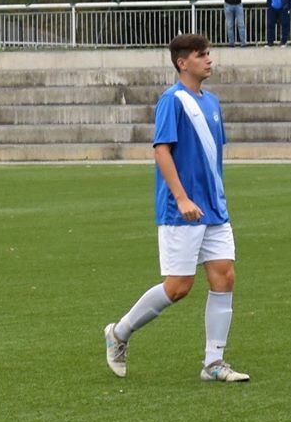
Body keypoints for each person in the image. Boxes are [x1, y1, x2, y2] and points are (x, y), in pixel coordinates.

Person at [104, 33, 249, 384]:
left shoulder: (211, 102)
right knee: (179, 286)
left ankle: (213, 362)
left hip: (214, 209)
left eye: (209, 53)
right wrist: (182, 198)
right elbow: (161, 151)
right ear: (183, 63)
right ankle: (119, 333)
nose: (209, 59)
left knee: (224, 275)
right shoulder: (172, 100)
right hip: (181, 210)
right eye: (201, 55)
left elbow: (211, 155)